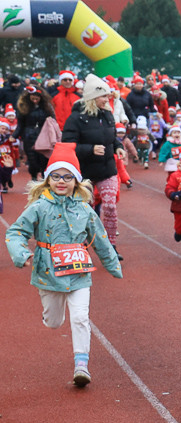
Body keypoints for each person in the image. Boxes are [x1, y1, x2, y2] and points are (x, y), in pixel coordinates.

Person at [4, 142, 122, 386]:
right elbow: (15, 232)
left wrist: (113, 266)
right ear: (47, 180)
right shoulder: (38, 207)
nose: (61, 181)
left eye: (68, 177)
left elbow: (100, 238)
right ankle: (51, 317)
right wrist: (22, 254)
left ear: (76, 181)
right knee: (54, 321)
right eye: (56, 176)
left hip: (79, 273)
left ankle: (82, 365)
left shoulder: (85, 210)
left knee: (80, 317)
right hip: (48, 272)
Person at [61, 75, 126, 258]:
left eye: (108, 96)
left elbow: (112, 138)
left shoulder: (107, 114)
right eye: (104, 96)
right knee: (85, 211)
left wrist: (119, 147)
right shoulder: (75, 119)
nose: (108, 100)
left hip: (107, 169)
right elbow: (68, 144)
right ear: (92, 97)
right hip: (84, 173)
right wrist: (89, 149)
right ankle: (82, 245)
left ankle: (110, 246)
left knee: (111, 207)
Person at [17, 85, 55, 180]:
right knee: (32, 159)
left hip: (43, 135)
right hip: (29, 136)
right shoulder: (24, 108)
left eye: (37, 98)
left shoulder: (46, 108)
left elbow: (52, 120)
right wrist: (14, 135)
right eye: (33, 98)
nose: (35, 100)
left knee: (43, 159)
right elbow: (20, 124)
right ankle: (34, 176)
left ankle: (44, 177)